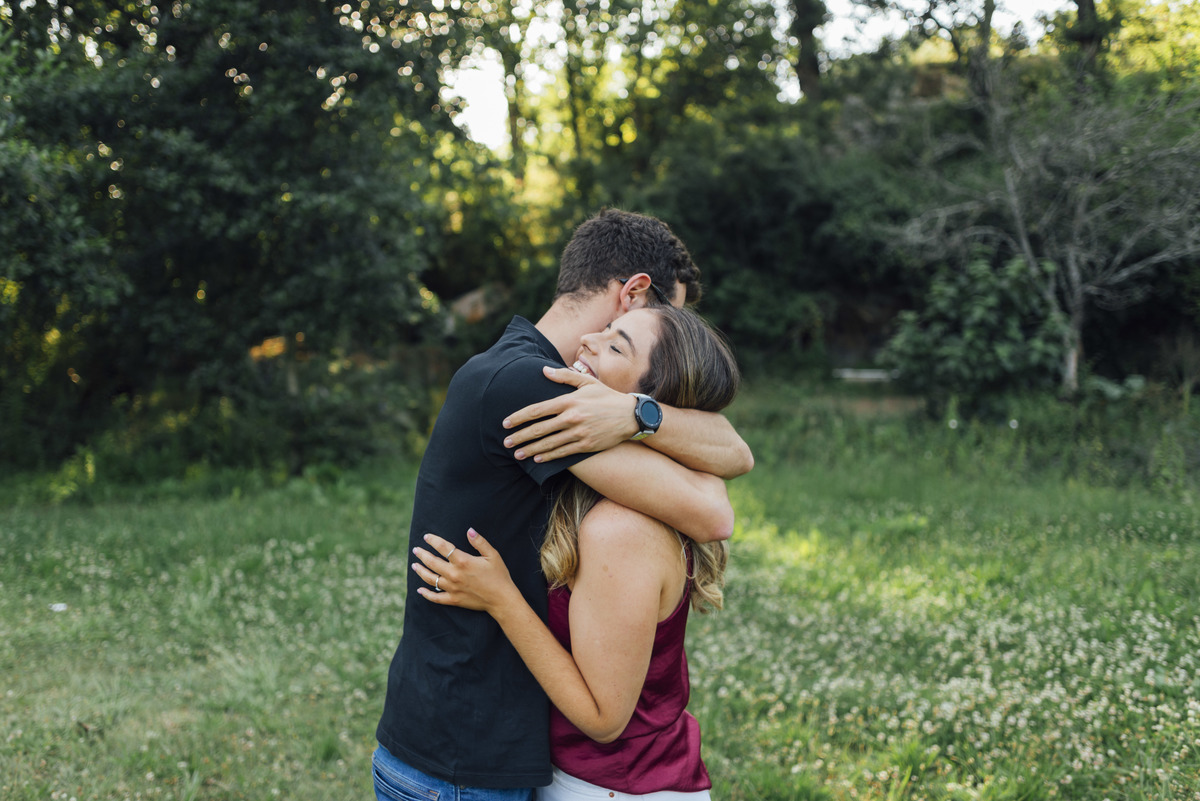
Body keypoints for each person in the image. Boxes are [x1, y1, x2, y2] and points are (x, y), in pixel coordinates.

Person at [372, 209, 753, 800]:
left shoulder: (532, 371)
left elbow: (733, 450)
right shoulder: (531, 383)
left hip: (478, 752)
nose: (676, 334)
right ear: (634, 294)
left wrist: (637, 412)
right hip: (459, 765)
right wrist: (636, 413)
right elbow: (713, 509)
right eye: (666, 319)